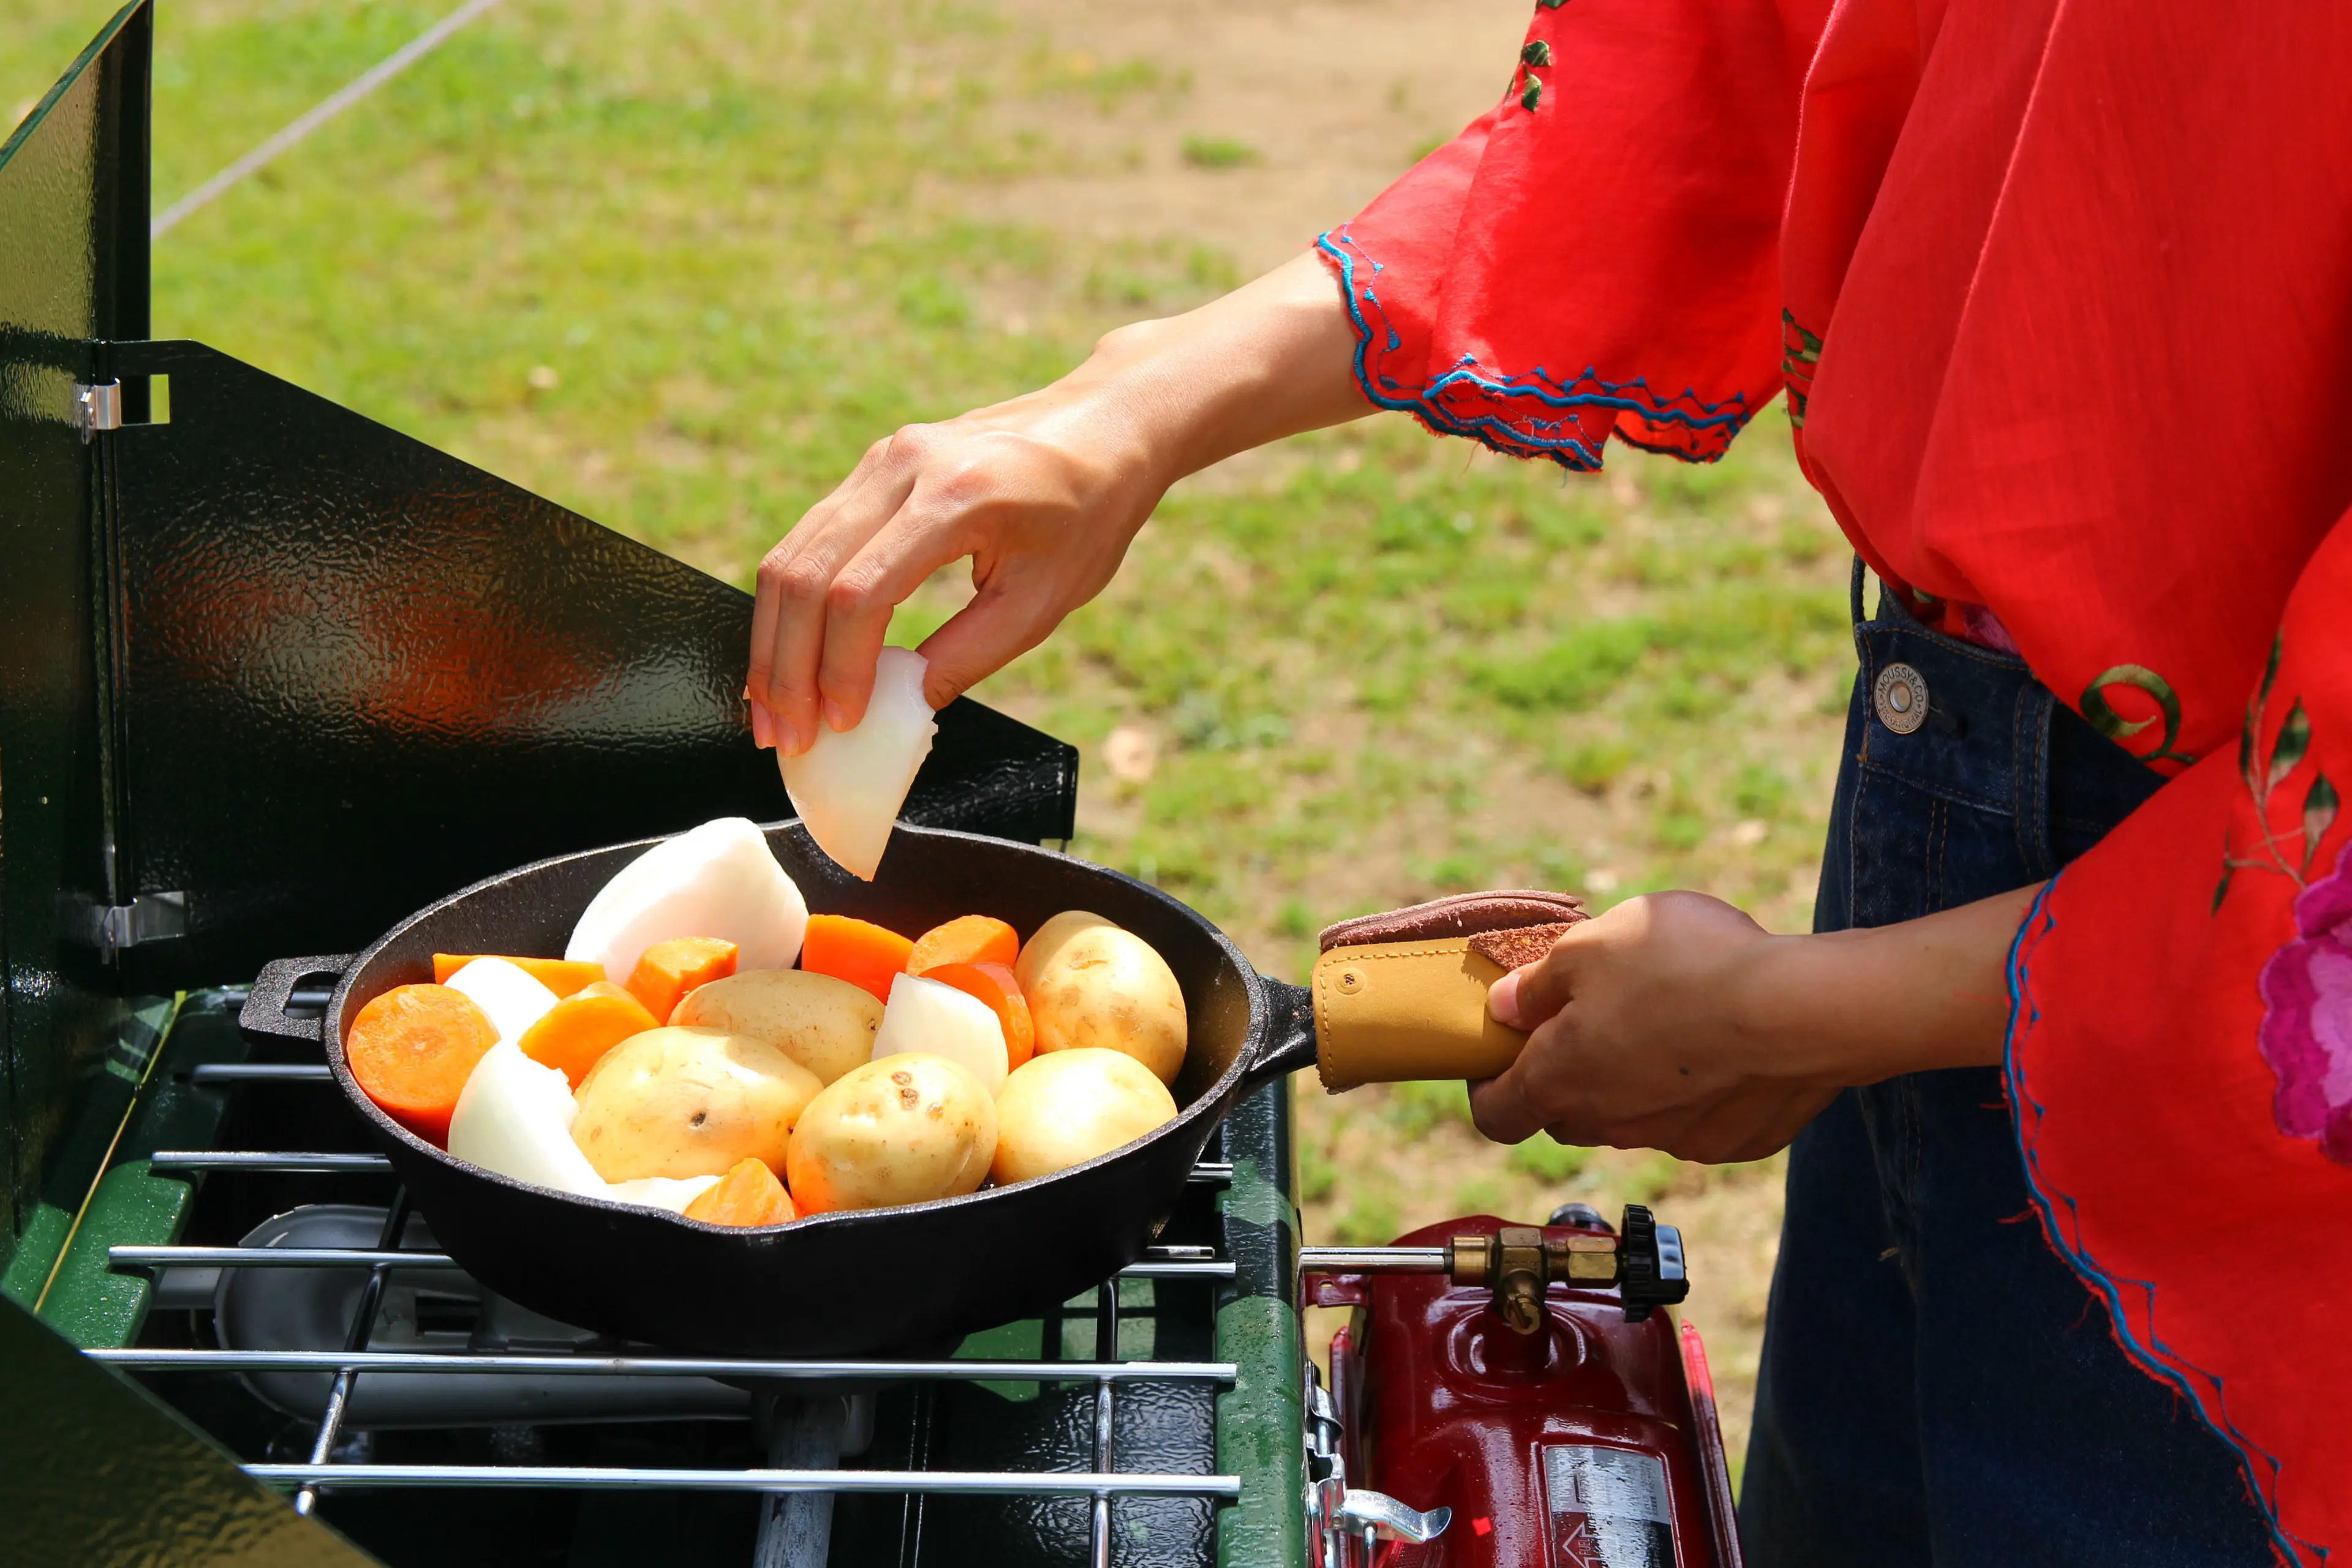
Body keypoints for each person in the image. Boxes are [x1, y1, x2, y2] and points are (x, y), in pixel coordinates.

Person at [745, 2, 2352, 1561]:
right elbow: (1731, 53)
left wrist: (1828, 1010)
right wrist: (1142, 397)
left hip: (2277, 1093)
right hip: (1963, 795)